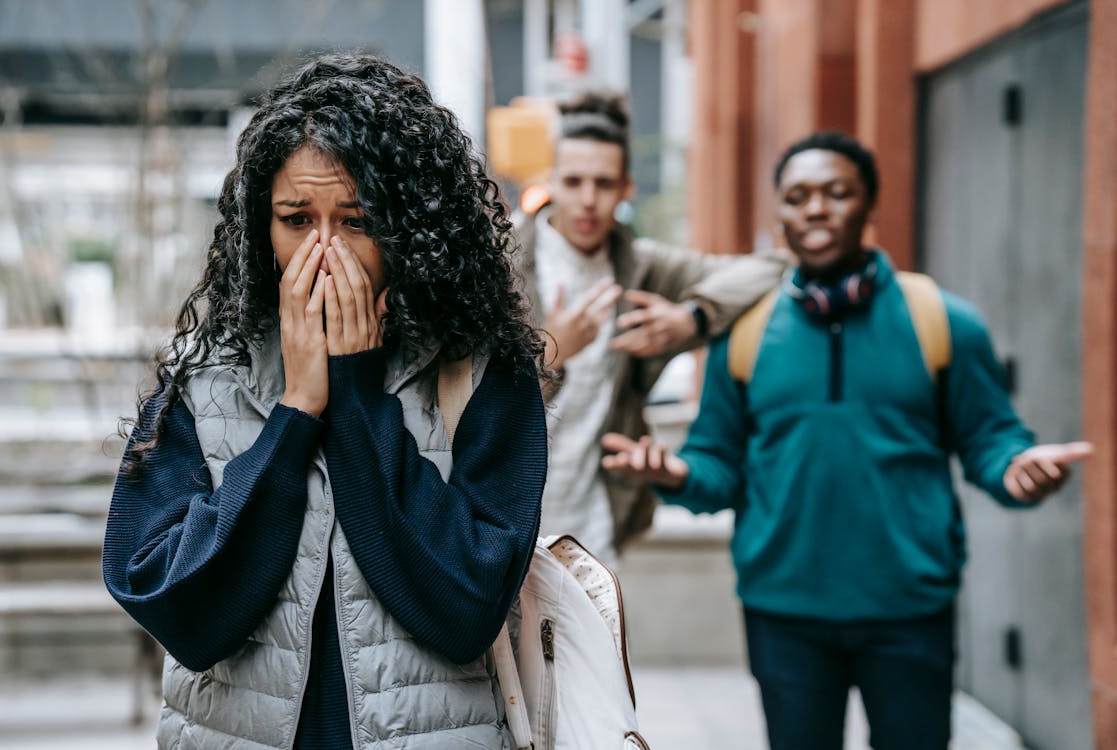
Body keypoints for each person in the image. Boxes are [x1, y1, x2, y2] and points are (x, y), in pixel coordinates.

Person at [102, 52, 548, 749]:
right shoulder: (205, 372)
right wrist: (296, 413)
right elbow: (174, 606)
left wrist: (359, 396)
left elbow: (464, 609)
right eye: (295, 219)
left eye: (357, 221)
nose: (324, 252)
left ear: (412, 227)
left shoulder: (481, 370)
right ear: (260, 227)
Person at [600, 131, 1093, 750]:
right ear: (779, 214)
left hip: (909, 609)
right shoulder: (745, 335)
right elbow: (718, 465)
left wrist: (1016, 469)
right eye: (798, 196)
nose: (815, 208)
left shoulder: (942, 321)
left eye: (837, 193)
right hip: (785, 612)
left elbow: (990, 437)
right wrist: (676, 477)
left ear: (869, 206)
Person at [515, 91, 785, 564]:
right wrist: (549, 351)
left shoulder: (640, 267)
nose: (587, 200)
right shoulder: (504, 263)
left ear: (626, 188)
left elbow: (776, 267)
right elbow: (461, 401)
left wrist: (692, 318)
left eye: (603, 183)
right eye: (574, 181)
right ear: (552, 180)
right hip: (506, 517)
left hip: (595, 525)